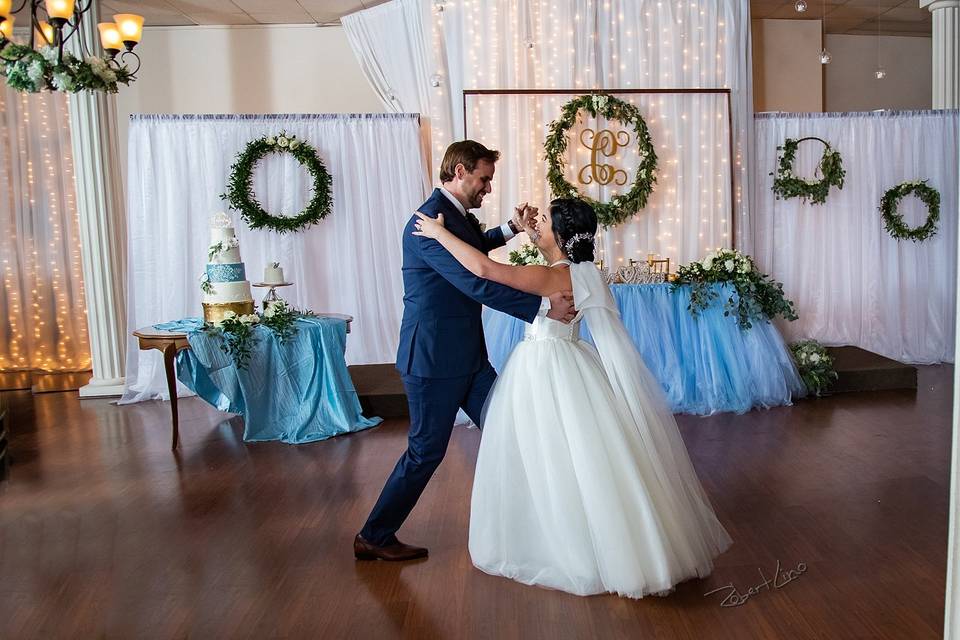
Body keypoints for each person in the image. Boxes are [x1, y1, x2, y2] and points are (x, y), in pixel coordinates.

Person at [411, 197, 733, 598]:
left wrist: (440, 233)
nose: (536, 223)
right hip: (577, 362)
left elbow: (483, 269)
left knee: (547, 454)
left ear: (559, 235)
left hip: (544, 367)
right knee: (584, 456)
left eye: (543, 220)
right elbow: (525, 258)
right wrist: (523, 231)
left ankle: (561, 540)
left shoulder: (550, 277)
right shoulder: (586, 274)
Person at [354, 141, 577, 561]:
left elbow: (475, 247)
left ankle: (539, 523)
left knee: (512, 428)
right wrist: (543, 308)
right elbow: (475, 281)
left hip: (469, 359)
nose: (488, 189)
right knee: (425, 453)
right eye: (484, 179)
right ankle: (374, 535)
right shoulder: (424, 224)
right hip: (433, 360)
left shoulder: (454, 216)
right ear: (459, 172)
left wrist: (509, 230)